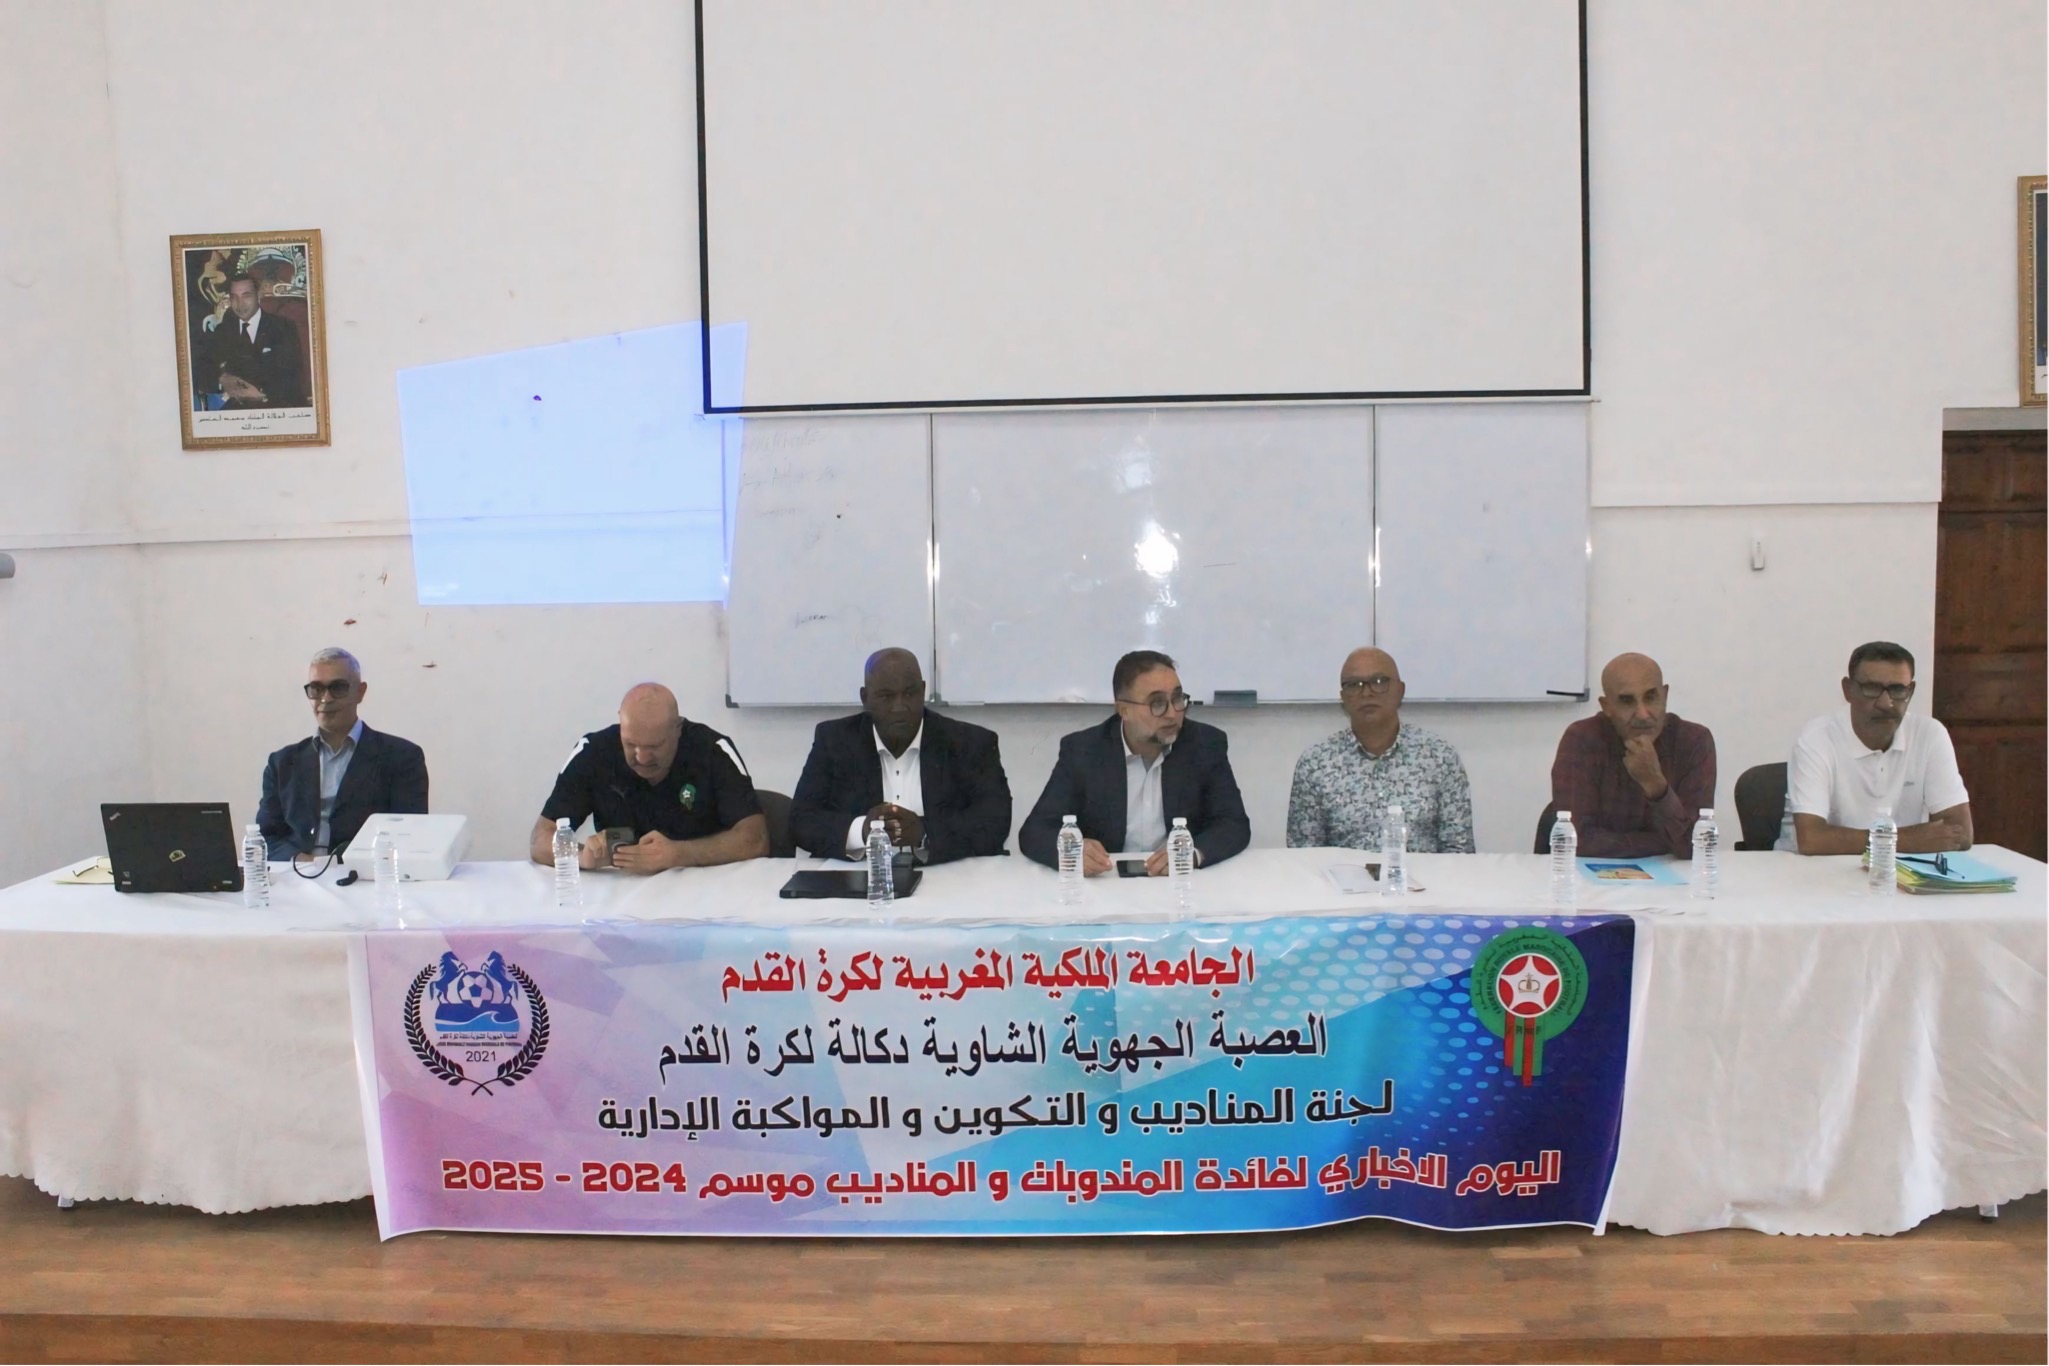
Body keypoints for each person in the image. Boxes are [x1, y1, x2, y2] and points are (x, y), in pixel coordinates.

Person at [1020, 650, 1250, 875]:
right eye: (1157, 703)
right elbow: (1036, 830)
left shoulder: (1204, 744)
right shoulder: (1083, 751)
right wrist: (1071, 852)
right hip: (1107, 880)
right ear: (1124, 710)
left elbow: (1233, 823)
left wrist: (1192, 854)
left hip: (1178, 881)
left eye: (1177, 698)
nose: (1172, 713)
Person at [789, 647, 1012, 863]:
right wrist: (862, 830)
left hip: (949, 876)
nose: (899, 707)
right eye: (886, 696)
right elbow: (801, 820)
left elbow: (995, 820)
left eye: (909, 693)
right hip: (861, 878)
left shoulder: (969, 743)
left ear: (923, 691)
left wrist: (925, 833)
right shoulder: (834, 741)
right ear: (865, 698)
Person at [528, 683, 768, 873]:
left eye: (655, 746)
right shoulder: (594, 752)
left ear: (678, 729)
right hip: (621, 891)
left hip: (705, 886)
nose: (642, 757)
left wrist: (678, 854)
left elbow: (755, 839)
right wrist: (581, 856)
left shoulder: (712, 751)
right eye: (630, 744)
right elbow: (541, 838)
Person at [1779, 641, 1972, 854]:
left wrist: (1894, 843)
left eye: (1897, 690)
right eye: (1872, 689)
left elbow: (1961, 832)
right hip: (1808, 870)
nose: (1885, 703)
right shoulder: (1816, 738)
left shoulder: (1929, 734)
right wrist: (1905, 840)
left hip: (1899, 870)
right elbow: (1812, 840)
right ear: (1848, 690)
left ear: (1911, 691)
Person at [1287, 648, 1475, 853]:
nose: (1366, 693)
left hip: (1423, 874)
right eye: (1353, 685)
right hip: (1342, 874)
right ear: (1343, 698)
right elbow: (1304, 855)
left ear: (1400, 691)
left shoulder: (1440, 757)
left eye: (1379, 682)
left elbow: (1459, 851)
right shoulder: (1315, 764)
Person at [256, 647, 428, 859]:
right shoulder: (282, 763)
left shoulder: (402, 757)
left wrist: (340, 864)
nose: (325, 698)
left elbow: (408, 835)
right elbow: (265, 837)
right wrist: (302, 862)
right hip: (295, 872)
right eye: (316, 689)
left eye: (338, 688)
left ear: (360, 692)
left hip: (365, 873)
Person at [1549, 652, 1715, 858]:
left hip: (1672, 877)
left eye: (1651, 697)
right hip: (1591, 875)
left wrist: (1656, 785)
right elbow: (1575, 840)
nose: (1643, 714)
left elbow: (1696, 845)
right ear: (1606, 706)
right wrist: (1665, 843)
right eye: (1627, 701)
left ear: (1665, 695)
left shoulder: (1693, 741)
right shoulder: (1582, 739)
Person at [202, 274, 308, 409]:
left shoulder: (283, 328)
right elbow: (203, 369)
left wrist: (262, 395)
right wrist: (221, 380)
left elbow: (292, 378)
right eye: (234, 297)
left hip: (277, 407)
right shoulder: (223, 330)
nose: (240, 304)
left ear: (258, 296)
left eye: (246, 296)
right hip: (237, 409)